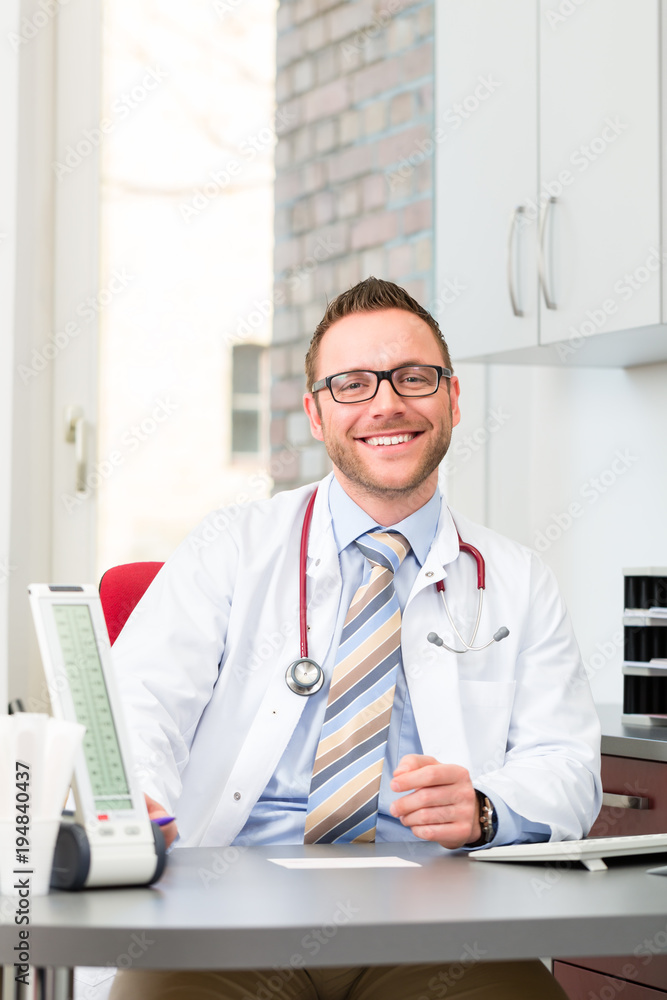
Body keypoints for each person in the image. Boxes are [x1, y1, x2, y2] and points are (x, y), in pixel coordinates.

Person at [108, 277, 601, 1000]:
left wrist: (484, 807)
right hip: (231, 913)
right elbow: (137, 708)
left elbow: (566, 764)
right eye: (352, 384)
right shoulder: (230, 547)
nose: (386, 403)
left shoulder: (519, 579)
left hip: (439, 925)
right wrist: (137, 808)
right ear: (315, 413)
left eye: (413, 378)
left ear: (453, 399)